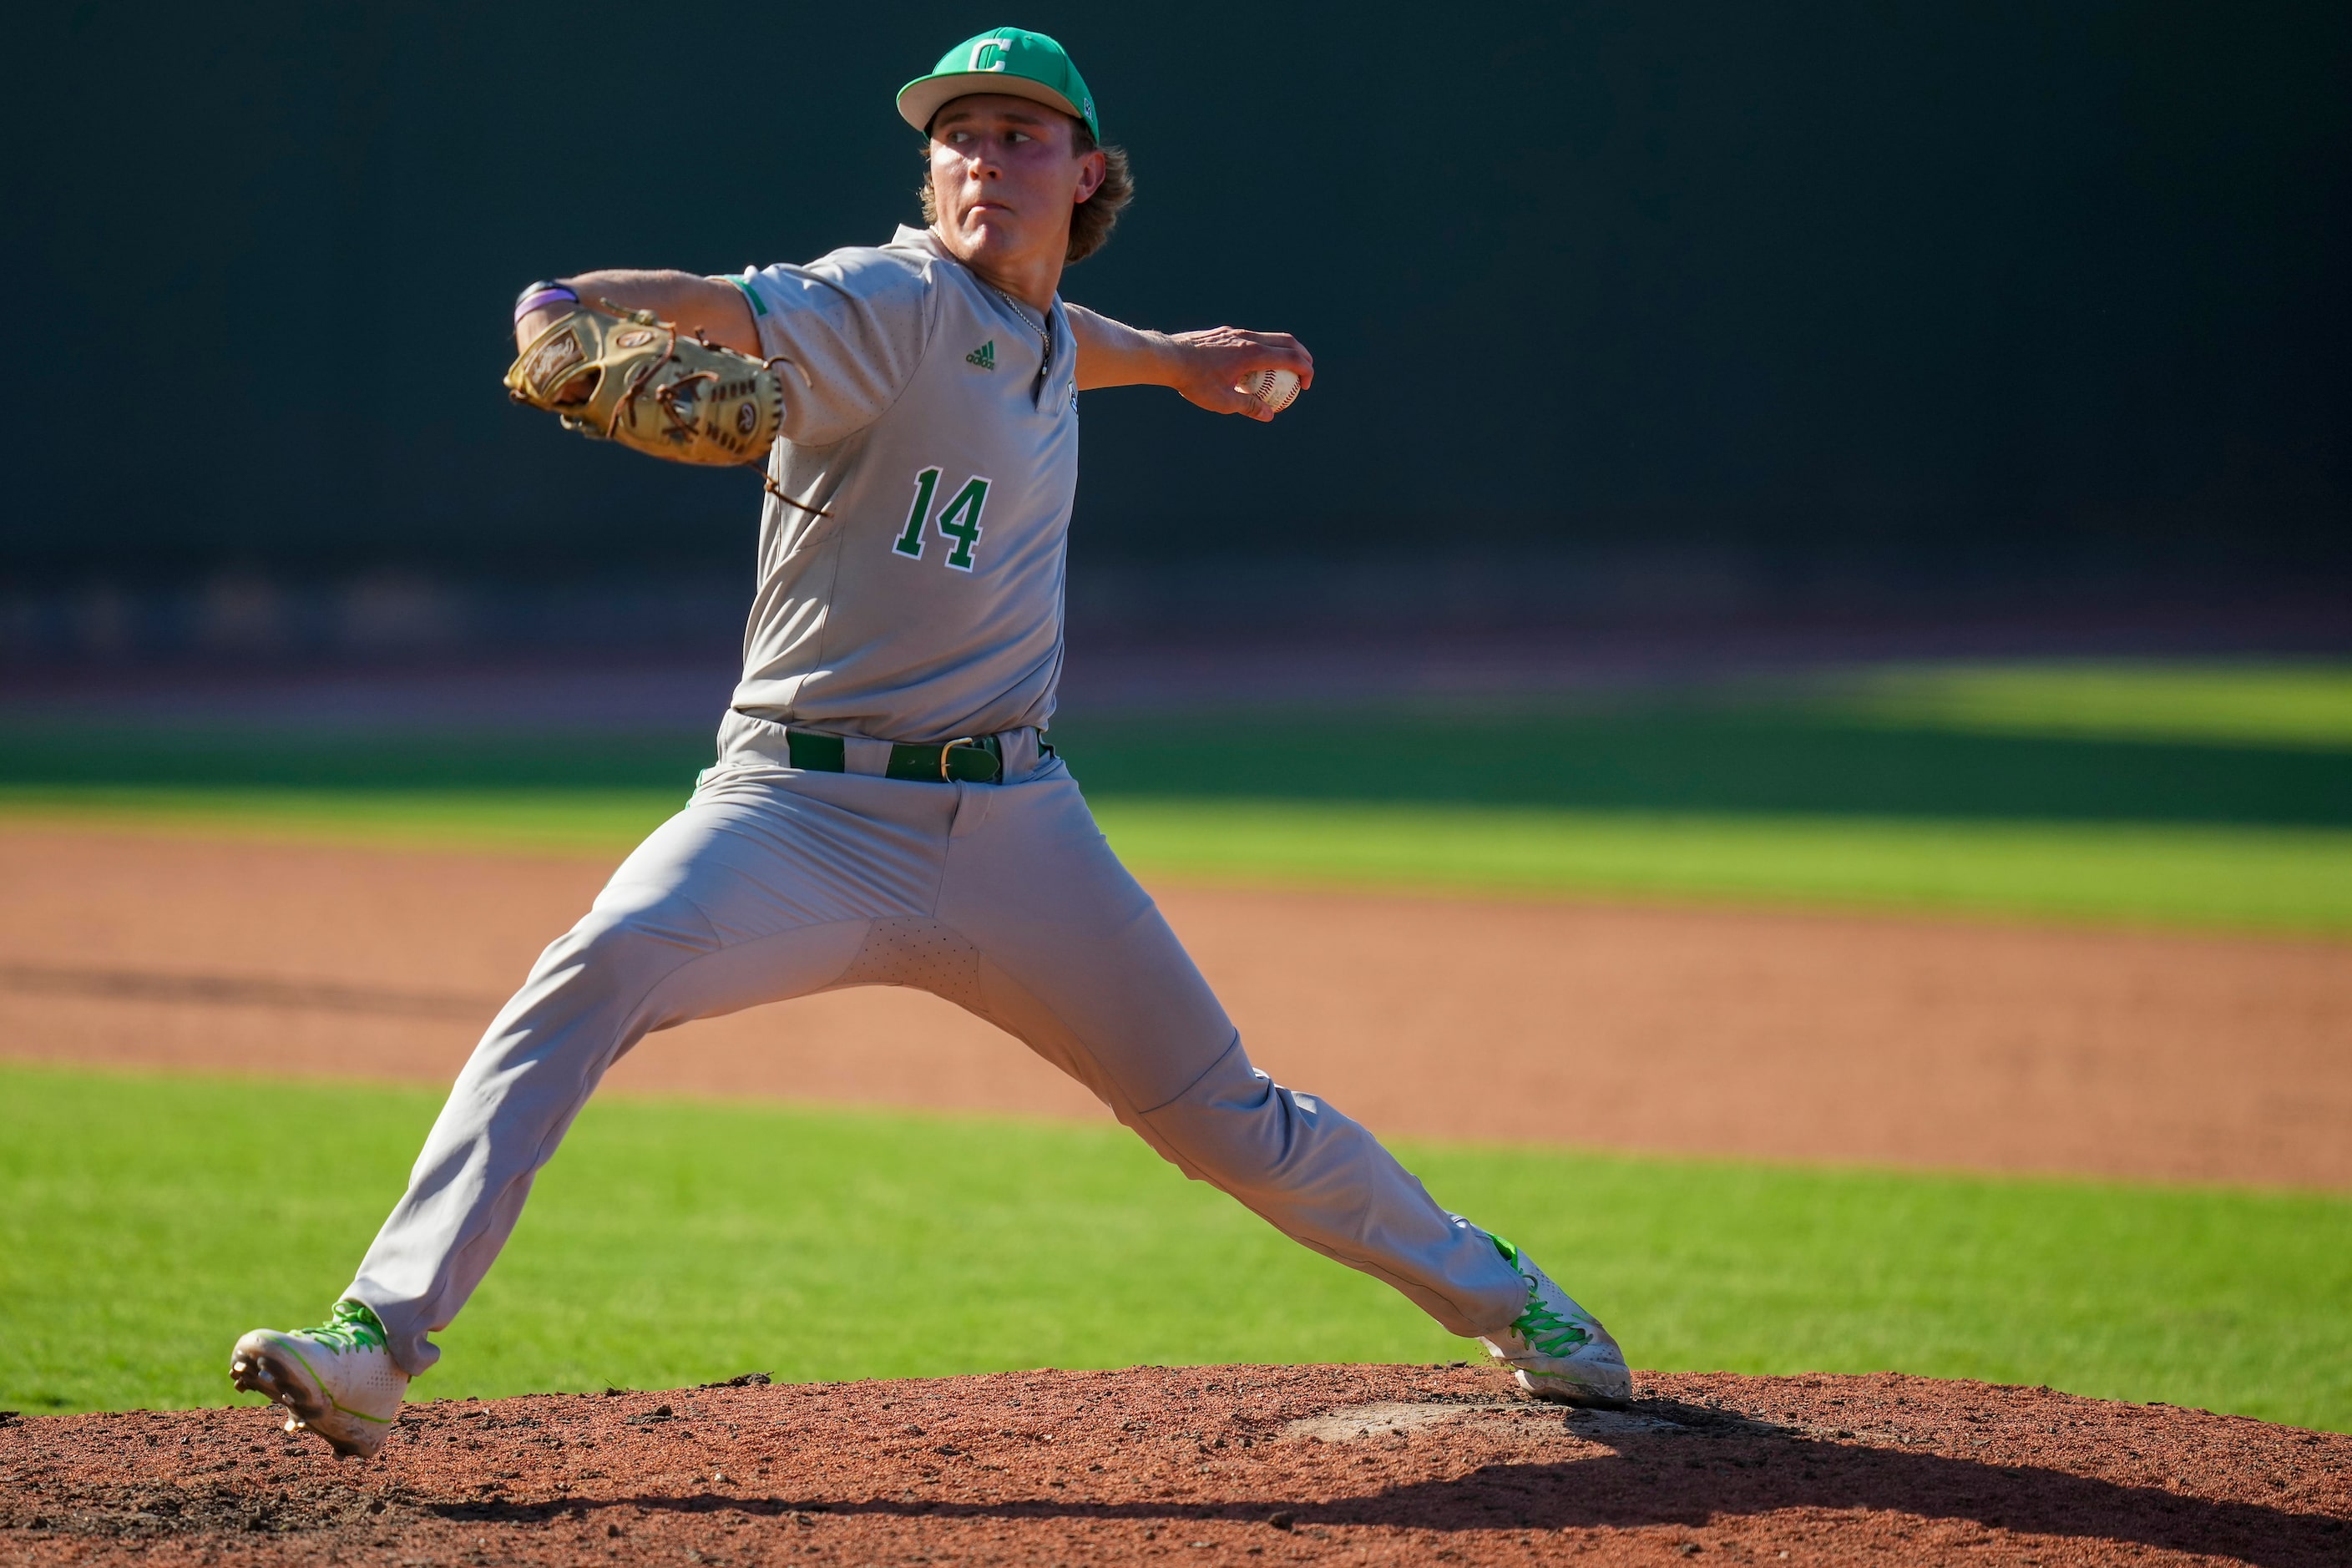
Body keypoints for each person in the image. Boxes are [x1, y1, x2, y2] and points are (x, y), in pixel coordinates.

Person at [230, 26, 1630, 1459]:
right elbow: (716, 302)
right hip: (793, 811)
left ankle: (1506, 1296)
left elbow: (1058, 339)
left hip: (1016, 828)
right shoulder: (888, 295)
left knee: (1227, 1116)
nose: (982, 158)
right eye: (957, 135)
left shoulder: (1034, 331)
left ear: (1086, 175)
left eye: (1020, 135)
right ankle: (374, 1343)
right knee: (586, 977)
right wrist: (559, 300)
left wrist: (1175, 361)